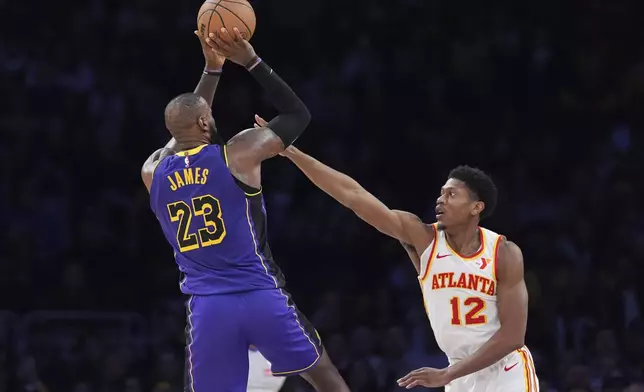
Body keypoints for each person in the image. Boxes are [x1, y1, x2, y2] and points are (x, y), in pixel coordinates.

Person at [140, 29, 349, 392]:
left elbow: (185, 126)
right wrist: (250, 61)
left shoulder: (152, 171)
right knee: (323, 375)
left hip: (208, 306)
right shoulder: (237, 153)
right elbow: (297, 114)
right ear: (206, 122)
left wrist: (211, 70)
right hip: (259, 292)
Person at [266, 130, 538, 391]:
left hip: (506, 372)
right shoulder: (422, 239)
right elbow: (353, 196)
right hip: (459, 374)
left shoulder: (503, 252)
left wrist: (447, 374)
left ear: (476, 208)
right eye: (441, 193)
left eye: (451, 194)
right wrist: (293, 154)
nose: (440, 199)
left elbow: (513, 337)